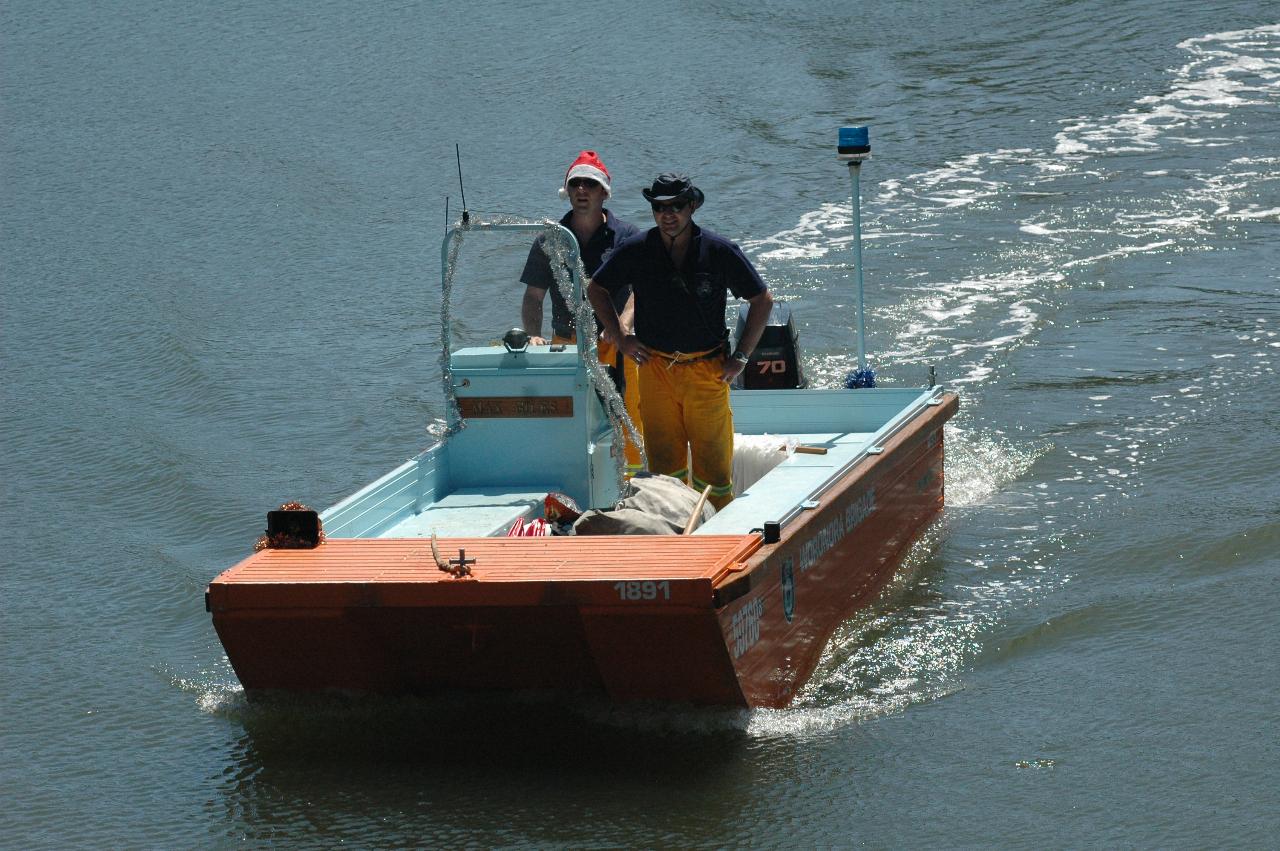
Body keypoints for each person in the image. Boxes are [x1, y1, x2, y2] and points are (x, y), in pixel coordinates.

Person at [588, 173, 773, 509]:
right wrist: (621, 338)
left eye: (676, 206)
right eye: (659, 207)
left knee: (714, 476)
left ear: (691, 207)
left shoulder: (719, 250)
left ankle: (717, 531)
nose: (667, 214)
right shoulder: (637, 249)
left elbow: (762, 300)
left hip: (708, 371)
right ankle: (673, 537)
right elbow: (596, 289)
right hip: (655, 370)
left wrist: (742, 357)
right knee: (663, 475)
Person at [518, 150, 644, 473]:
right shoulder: (549, 240)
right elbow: (533, 297)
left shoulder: (627, 237)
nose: (582, 191)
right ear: (568, 191)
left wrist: (622, 326)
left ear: (604, 192)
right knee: (568, 418)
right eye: (576, 184)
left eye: (590, 184)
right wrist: (533, 334)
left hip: (616, 345)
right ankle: (574, 481)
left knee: (628, 414)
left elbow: (641, 290)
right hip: (567, 343)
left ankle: (632, 483)